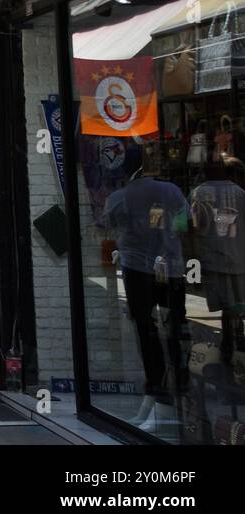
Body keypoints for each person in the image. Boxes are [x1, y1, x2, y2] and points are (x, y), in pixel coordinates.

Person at [99, 144, 189, 432]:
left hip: (139, 269)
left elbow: (104, 226)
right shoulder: (172, 191)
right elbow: (185, 223)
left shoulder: (119, 197)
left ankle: (160, 396)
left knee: (146, 330)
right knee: (174, 330)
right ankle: (164, 395)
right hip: (171, 269)